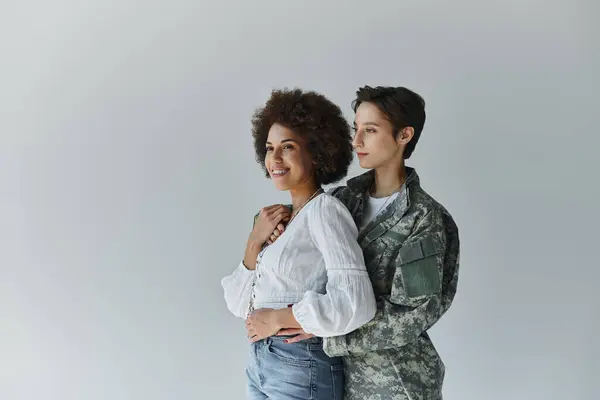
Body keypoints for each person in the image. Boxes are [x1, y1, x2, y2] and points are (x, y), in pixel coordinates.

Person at [266, 86, 460, 400]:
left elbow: (412, 314)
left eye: (370, 130)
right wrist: (272, 227)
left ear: (404, 135)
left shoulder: (424, 218)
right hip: (336, 377)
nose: (356, 141)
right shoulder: (344, 200)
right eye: (356, 129)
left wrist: (325, 331)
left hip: (395, 382)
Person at [221, 88, 377, 400]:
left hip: (300, 364)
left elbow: (356, 302)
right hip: (261, 363)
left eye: (287, 147)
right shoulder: (282, 221)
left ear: (316, 152)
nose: (274, 159)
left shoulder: (325, 211)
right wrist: (254, 241)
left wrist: (280, 319)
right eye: (269, 148)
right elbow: (240, 306)